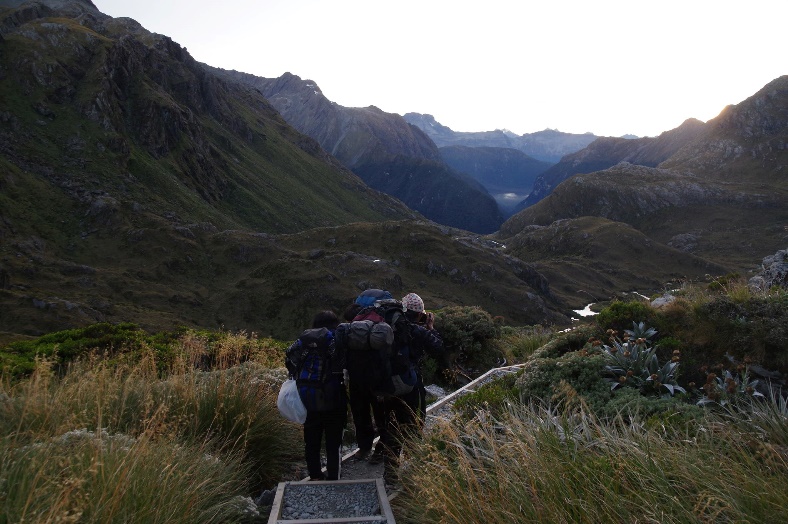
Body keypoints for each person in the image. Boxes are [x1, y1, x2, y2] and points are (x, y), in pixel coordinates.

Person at [378, 292, 443, 484]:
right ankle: (414, 470)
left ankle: (389, 473)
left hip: (387, 384)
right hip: (411, 385)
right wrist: (431, 327)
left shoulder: (385, 328)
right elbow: (438, 348)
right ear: (419, 314)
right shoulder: (417, 331)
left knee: (391, 427)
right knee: (414, 425)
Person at [285, 311, 347, 481]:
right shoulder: (335, 340)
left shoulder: (303, 341)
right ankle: (334, 476)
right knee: (333, 441)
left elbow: (289, 355)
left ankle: (315, 475)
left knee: (311, 439)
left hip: (308, 397)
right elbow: (344, 361)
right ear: (334, 324)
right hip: (333, 396)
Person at [341, 290, 389, 463]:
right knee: (382, 415)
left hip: (356, 377)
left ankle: (364, 447)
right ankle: (382, 449)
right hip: (376, 377)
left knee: (360, 414)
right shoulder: (382, 326)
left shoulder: (351, 328)